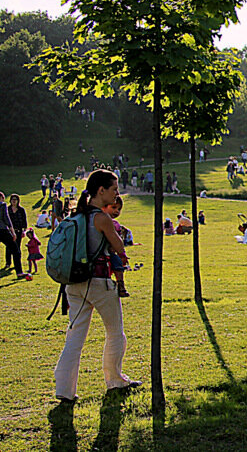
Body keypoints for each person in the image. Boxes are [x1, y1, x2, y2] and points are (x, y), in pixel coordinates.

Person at [54, 169, 142, 402]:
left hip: (73, 284)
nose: (116, 194)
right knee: (115, 333)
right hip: (99, 282)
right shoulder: (101, 218)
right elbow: (119, 247)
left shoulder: (74, 217)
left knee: (74, 338)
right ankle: (115, 379)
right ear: (101, 191)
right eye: (114, 189)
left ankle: (64, 390)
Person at [101, 197, 132, 297]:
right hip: (102, 250)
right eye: (114, 207)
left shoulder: (116, 224)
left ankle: (120, 284)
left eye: (119, 209)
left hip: (110, 251)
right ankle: (120, 284)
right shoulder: (101, 220)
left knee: (117, 261)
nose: (116, 211)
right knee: (117, 261)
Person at [5, 193, 27, 275]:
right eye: (13, 200)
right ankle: (8, 263)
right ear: (10, 201)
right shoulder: (7, 209)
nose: (14, 201)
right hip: (9, 231)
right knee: (8, 247)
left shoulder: (21, 210)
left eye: (15, 200)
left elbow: (24, 221)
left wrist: (24, 231)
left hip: (18, 231)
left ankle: (17, 264)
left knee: (17, 247)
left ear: (18, 201)